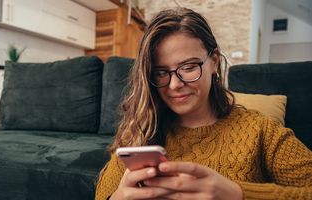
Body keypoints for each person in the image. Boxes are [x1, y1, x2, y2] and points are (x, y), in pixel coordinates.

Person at [95, 8, 312, 200]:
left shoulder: (260, 130)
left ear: (214, 62)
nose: (174, 84)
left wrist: (240, 194)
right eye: (161, 72)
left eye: (188, 67)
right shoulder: (140, 131)